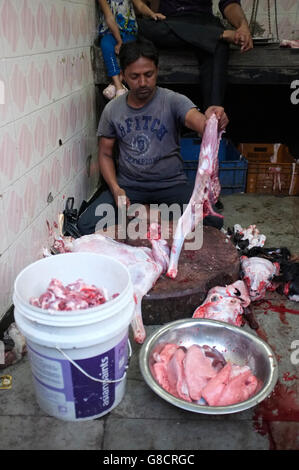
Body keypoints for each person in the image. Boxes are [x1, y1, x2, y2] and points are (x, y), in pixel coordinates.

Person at [77, 38, 229, 236]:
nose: (142, 83)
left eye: (148, 75)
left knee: (211, 219)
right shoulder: (113, 110)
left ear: (157, 70)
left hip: (171, 185)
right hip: (130, 187)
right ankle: (160, 220)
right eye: (134, 76)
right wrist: (115, 189)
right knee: (86, 224)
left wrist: (213, 120)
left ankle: (145, 217)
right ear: (122, 75)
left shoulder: (173, 100)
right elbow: (105, 154)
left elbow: (200, 122)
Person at [137, 0, 253, 110]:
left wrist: (242, 25)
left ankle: (212, 120)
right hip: (168, 23)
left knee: (219, 46)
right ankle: (218, 34)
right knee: (136, 27)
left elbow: (229, 3)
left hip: (203, 21)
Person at [98, 0, 165, 100]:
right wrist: (119, 41)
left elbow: (140, 5)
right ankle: (119, 86)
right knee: (105, 45)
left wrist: (152, 14)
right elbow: (109, 17)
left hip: (129, 32)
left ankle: (114, 85)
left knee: (130, 50)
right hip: (110, 32)